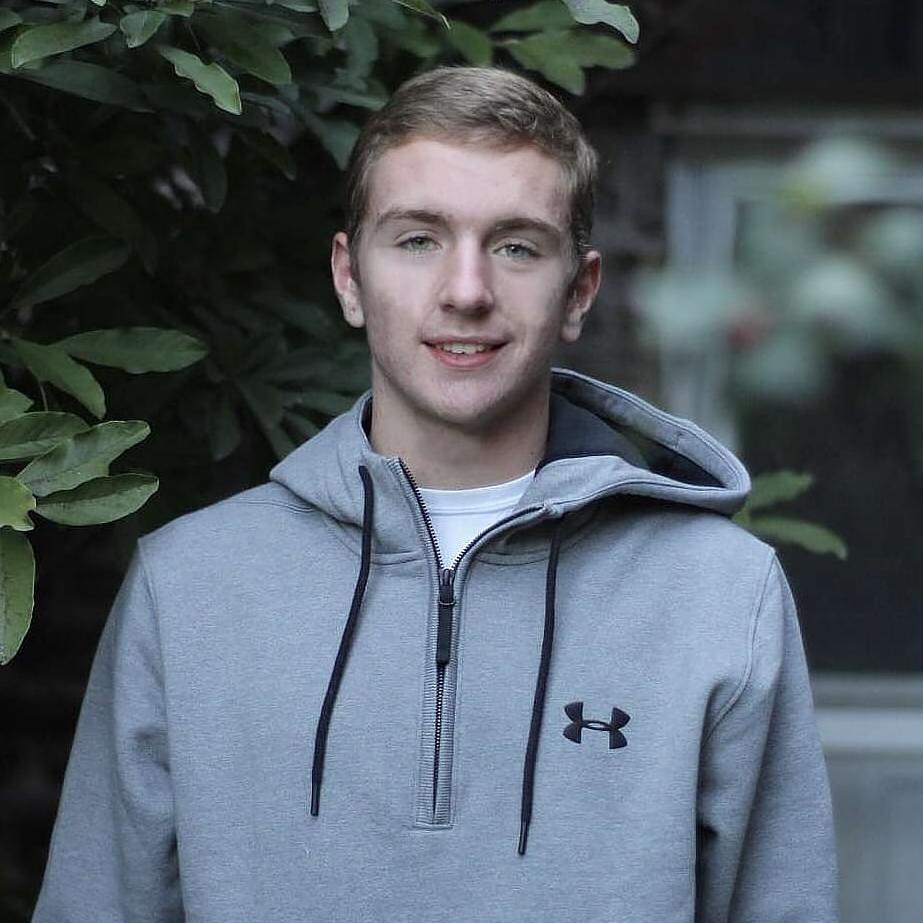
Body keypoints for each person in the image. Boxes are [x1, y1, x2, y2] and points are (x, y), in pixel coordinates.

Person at [32, 66, 839, 922]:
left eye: (516, 246)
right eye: (418, 239)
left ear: (579, 291)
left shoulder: (720, 594)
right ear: (349, 278)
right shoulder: (190, 585)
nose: (465, 291)